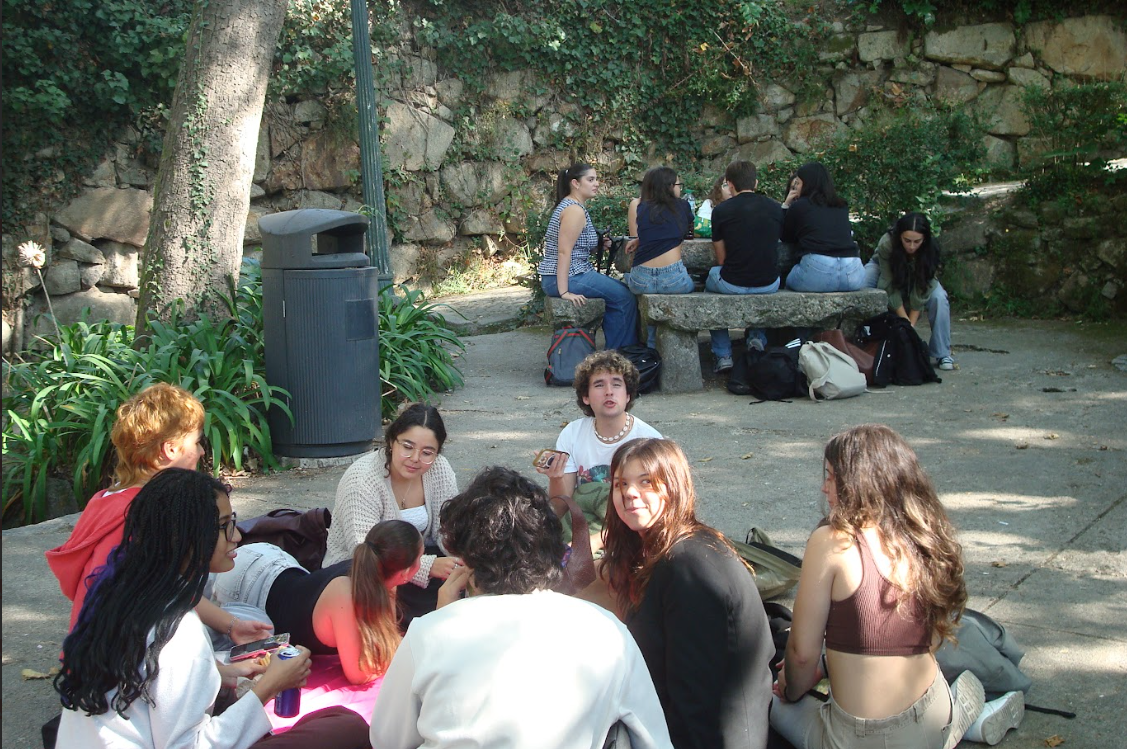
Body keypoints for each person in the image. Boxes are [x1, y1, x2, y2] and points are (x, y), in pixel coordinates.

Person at [54, 468, 370, 749]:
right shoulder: (178, 631)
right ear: (187, 537)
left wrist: (225, 673)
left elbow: (151, 680)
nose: (237, 536)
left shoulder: (120, 589)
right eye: (224, 526)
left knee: (328, 722)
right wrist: (270, 687)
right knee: (346, 728)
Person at [369, 466, 674, 749]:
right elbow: (653, 738)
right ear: (552, 549)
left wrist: (441, 619)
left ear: (467, 561)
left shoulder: (428, 633)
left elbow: (387, 739)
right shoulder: (607, 631)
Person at [769, 424, 987, 749]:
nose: (824, 488)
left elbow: (801, 655)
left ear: (858, 484)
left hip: (858, 738)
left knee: (757, 699)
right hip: (933, 712)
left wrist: (788, 688)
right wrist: (826, 666)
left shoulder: (833, 542)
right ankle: (957, 724)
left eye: (832, 477)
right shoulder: (922, 536)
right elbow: (919, 639)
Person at [45, 382, 271, 645]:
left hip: (89, 649)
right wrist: (227, 647)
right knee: (251, 616)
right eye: (197, 442)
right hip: (126, 656)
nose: (201, 452)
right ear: (170, 449)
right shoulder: (152, 514)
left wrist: (231, 625)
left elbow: (169, 586)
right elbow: (163, 594)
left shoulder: (106, 500)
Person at [601, 438, 775, 749]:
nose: (629, 493)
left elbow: (696, 696)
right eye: (620, 484)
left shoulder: (688, 565)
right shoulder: (658, 550)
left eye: (646, 482)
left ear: (673, 487)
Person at [212, 520, 423, 684]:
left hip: (275, 566)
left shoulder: (380, 576)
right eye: (420, 559)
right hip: (246, 579)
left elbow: (385, 646)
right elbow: (359, 674)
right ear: (406, 572)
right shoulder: (345, 593)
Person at [325, 403, 459, 626]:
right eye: (407, 447)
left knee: (460, 583)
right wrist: (426, 567)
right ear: (391, 441)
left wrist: (462, 559)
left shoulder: (439, 469)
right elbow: (364, 549)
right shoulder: (362, 479)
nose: (415, 458)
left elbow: (449, 527)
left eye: (427, 452)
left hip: (414, 561)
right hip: (363, 568)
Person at [536, 350, 662, 506]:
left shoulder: (650, 441)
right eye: (599, 385)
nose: (609, 392)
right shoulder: (572, 434)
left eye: (616, 384)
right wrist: (556, 478)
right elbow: (562, 509)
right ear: (586, 397)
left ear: (628, 395)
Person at [538, 161, 639, 349]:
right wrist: (564, 292)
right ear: (575, 183)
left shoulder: (573, 206)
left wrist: (599, 246)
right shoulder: (574, 211)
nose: (596, 183)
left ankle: (616, 350)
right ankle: (620, 354)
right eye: (590, 180)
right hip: (568, 277)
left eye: (596, 179)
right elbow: (563, 251)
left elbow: (575, 246)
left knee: (622, 291)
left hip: (571, 274)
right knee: (624, 297)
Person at [706, 160, 784, 373]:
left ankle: (723, 354)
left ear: (730, 184)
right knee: (758, 279)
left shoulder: (721, 211)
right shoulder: (775, 208)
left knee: (710, 283)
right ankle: (757, 338)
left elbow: (721, 260)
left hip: (732, 283)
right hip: (769, 283)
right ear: (756, 183)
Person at [863, 212, 955, 371]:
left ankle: (942, 353)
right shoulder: (887, 244)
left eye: (917, 241)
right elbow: (888, 284)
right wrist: (905, 322)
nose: (911, 246)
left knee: (939, 298)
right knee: (863, 283)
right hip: (883, 269)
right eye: (907, 241)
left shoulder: (930, 249)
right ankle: (864, 345)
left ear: (924, 239)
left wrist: (909, 327)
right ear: (899, 236)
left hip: (917, 276)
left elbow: (923, 287)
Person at [624, 166, 697, 348]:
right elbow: (678, 231)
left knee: (630, 281)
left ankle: (651, 344)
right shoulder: (683, 206)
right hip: (673, 280)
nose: (680, 189)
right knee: (696, 284)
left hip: (641, 279)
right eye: (678, 185)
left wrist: (639, 240)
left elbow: (655, 231)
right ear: (669, 186)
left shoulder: (640, 206)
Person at [781, 162, 864, 292]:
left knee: (787, 279)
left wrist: (786, 206)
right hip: (853, 271)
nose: (796, 187)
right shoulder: (841, 205)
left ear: (807, 184)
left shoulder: (800, 206)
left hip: (818, 269)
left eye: (799, 183)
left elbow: (786, 237)